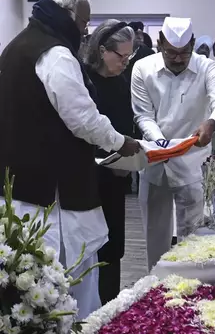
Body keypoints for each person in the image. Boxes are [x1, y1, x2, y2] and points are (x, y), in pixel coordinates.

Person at [0, 0, 141, 318]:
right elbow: (83, 119)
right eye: (84, 24)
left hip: (20, 186)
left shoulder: (14, 47)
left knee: (28, 282)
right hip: (55, 195)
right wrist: (122, 142)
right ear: (70, 17)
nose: (85, 32)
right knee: (71, 282)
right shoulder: (55, 54)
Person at [131, 17, 215, 270]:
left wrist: (211, 123)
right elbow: (143, 114)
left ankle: (189, 289)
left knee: (193, 237)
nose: (177, 59)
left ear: (193, 44)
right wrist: (161, 142)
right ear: (159, 43)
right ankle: (156, 289)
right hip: (156, 162)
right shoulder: (142, 68)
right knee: (156, 237)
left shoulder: (208, 67)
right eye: (170, 53)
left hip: (193, 163)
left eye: (184, 53)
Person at [82, 20, 138, 304]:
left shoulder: (121, 82)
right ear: (102, 50)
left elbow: (127, 126)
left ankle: (110, 308)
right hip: (87, 180)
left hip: (116, 177)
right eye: (121, 56)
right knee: (90, 248)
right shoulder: (84, 81)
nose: (125, 63)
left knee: (114, 248)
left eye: (130, 57)